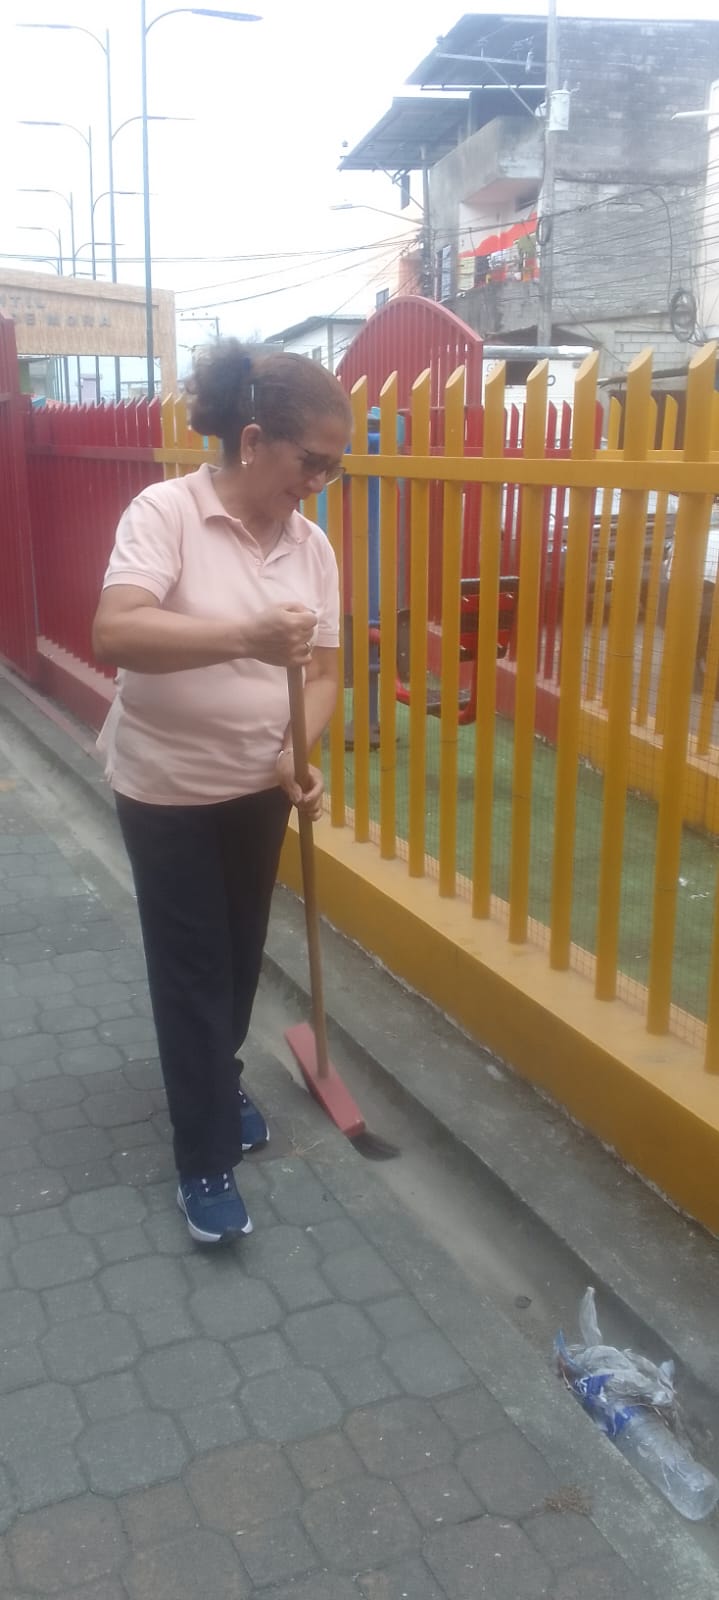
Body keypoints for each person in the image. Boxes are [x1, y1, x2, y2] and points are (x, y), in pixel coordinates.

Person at [92, 340, 351, 1245]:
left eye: (333, 466)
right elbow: (117, 630)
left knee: (240, 956)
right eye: (310, 460)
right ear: (252, 440)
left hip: (256, 787)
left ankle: (218, 1073)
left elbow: (326, 672)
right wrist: (245, 635)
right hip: (165, 786)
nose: (319, 481)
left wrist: (294, 750)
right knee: (193, 967)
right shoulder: (166, 512)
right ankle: (202, 1155)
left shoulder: (312, 547)